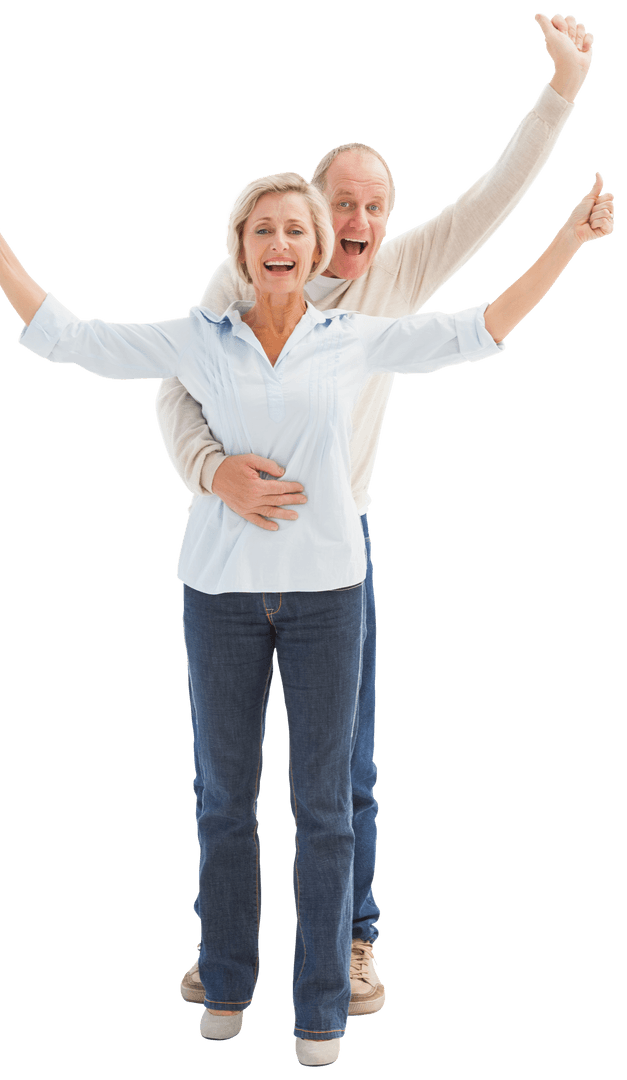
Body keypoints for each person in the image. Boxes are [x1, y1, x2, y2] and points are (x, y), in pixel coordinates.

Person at [0, 160, 613, 1064]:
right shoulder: (199, 339)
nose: (282, 243)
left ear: (318, 247)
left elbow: (482, 326)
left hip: (328, 596)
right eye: (264, 231)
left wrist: (569, 241)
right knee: (223, 799)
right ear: (241, 250)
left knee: (325, 805)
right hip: (218, 594)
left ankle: (321, 1006)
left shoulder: (350, 337)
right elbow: (72, 337)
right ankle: (224, 979)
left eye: (298, 229)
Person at [154, 10, 599, 1014]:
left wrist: (562, 90)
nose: (355, 221)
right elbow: (173, 390)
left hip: (334, 554)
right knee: (223, 776)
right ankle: (224, 949)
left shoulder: (395, 278)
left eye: (375, 206)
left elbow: (493, 201)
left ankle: (354, 941)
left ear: (388, 219)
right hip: (229, 552)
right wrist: (212, 469)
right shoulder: (253, 267)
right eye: (339, 203)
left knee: (340, 770)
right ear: (306, 209)